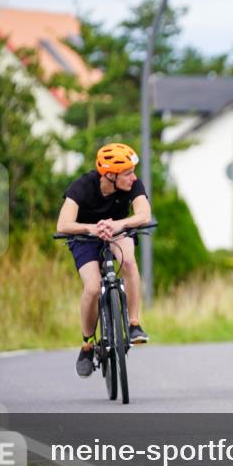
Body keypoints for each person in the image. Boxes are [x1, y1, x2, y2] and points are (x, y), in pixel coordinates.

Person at [56, 143, 152, 378]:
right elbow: (63, 224)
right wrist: (93, 228)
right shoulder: (82, 186)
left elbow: (144, 214)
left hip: (119, 232)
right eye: (127, 173)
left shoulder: (132, 184)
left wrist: (118, 224)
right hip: (85, 237)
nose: (133, 177)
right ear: (109, 175)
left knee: (128, 262)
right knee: (92, 288)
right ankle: (87, 345)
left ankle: (133, 324)